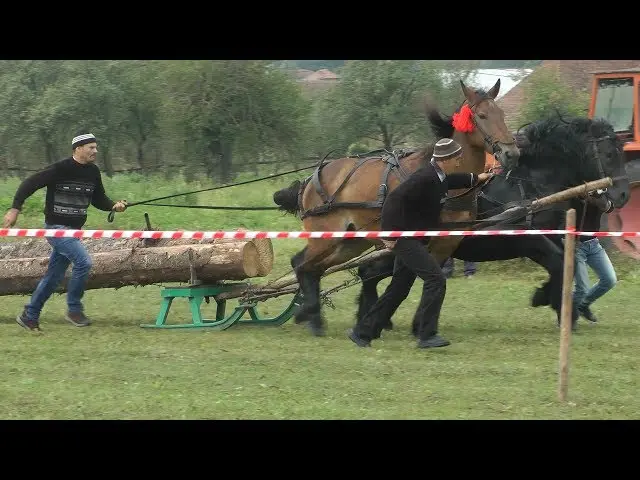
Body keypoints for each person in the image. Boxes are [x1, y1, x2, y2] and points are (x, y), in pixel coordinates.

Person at [348, 138, 492, 349]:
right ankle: (426, 335)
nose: (460, 162)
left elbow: (451, 181)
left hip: (414, 239)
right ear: (445, 159)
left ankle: (362, 332)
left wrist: (476, 178)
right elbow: (394, 200)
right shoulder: (425, 177)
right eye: (457, 158)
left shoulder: (438, 175)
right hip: (406, 240)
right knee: (436, 280)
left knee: (398, 288)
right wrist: (388, 234)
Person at [2, 132, 128, 333]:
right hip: (56, 229)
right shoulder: (60, 169)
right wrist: (15, 208)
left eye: (96, 147)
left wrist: (114, 205)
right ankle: (74, 309)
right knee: (83, 262)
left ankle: (30, 315)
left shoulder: (93, 172)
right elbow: (29, 184)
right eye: (91, 147)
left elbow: (98, 198)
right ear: (78, 149)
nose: (95, 151)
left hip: (74, 231)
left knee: (53, 276)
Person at [573, 190, 617, 323]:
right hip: (575, 245)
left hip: (593, 244)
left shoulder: (601, 191)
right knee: (582, 288)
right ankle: (567, 314)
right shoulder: (575, 188)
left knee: (609, 280)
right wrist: (581, 196)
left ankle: (582, 305)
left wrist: (594, 198)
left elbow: (609, 207)